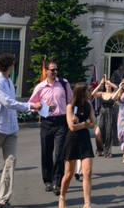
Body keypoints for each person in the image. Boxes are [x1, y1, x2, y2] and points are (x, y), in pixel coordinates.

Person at [0, 53, 47, 208]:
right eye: (13, 64)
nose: (14, 66)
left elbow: (11, 104)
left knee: (10, 162)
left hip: (11, 128)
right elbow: (8, 103)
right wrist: (31, 106)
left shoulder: (9, 81)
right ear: (8, 65)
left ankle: (3, 200)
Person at [29, 61, 73, 195]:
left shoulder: (64, 84)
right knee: (47, 152)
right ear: (46, 71)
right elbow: (31, 103)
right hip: (47, 122)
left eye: (56, 70)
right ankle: (47, 180)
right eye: (52, 70)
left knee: (59, 153)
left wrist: (73, 117)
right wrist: (42, 105)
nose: (54, 72)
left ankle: (56, 183)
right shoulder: (40, 87)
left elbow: (71, 101)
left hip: (61, 121)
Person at [59, 82, 96, 208]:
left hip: (85, 140)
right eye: (88, 90)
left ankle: (87, 203)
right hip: (72, 140)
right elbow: (72, 127)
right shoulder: (70, 106)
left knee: (88, 171)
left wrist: (82, 123)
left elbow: (93, 123)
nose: (90, 91)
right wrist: (86, 123)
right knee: (68, 174)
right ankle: (62, 197)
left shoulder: (88, 104)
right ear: (81, 92)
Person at [92, 75, 119, 157]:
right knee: (98, 133)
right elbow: (93, 93)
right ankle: (100, 148)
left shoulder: (114, 93)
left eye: (109, 84)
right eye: (106, 84)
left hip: (111, 113)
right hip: (102, 113)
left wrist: (110, 82)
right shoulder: (102, 93)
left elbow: (117, 88)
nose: (108, 85)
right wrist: (100, 84)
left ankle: (108, 151)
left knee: (109, 133)